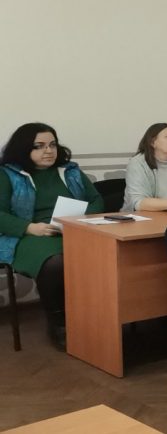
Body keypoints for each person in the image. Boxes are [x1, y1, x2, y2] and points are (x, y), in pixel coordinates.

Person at [0, 123, 103, 349]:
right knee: (56, 261)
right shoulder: (7, 174)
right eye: (39, 146)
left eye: (52, 145)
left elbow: (96, 200)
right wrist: (30, 227)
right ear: (24, 148)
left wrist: (81, 220)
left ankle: (96, 316)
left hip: (72, 230)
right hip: (26, 236)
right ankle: (58, 322)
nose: (48, 151)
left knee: (105, 253)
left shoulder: (70, 170)